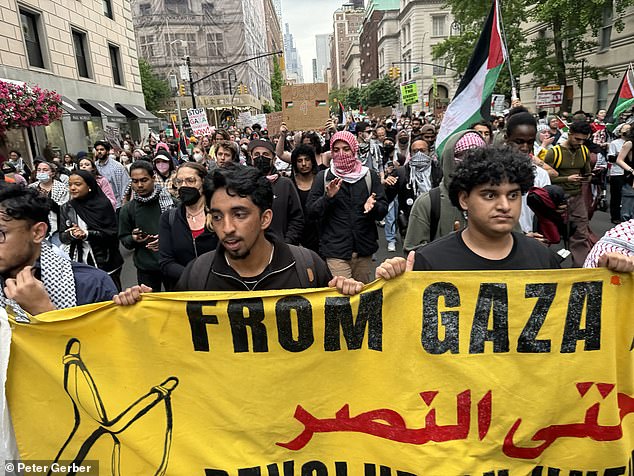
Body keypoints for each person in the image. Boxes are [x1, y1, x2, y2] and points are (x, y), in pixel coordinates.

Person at [114, 166, 364, 303]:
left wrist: (350, 294)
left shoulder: (307, 267)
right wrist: (143, 308)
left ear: (265, 218)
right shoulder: (197, 275)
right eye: (218, 216)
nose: (227, 228)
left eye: (240, 214)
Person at [376, 146, 634, 277]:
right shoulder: (429, 261)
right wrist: (391, 281)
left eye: (513, 195)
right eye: (490, 195)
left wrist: (612, 278)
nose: (504, 205)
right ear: (464, 199)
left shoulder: (543, 260)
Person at [0, 185, 117, 319]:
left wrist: (42, 311)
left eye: (0, 233)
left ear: (38, 232)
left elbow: (104, 339)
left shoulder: (92, 285)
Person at [306, 131, 388, 283]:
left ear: (354, 150)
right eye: (336, 150)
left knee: (362, 297)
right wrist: (327, 198)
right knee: (344, 296)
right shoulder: (323, 177)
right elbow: (311, 211)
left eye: (346, 149)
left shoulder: (368, 176)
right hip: (336, 251)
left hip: (363, 250)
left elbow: (383, 210)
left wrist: (373, 206)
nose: (341, 154)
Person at [404, 130, 486, 252]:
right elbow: (413, 254)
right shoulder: (428, 203)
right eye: (462, 155)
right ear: (449, 159)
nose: (471, 162)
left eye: (478, 155)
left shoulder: (498, 202)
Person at [59, 170, 124, 290]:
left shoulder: (103, 205)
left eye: (77, 184)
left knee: (113, 296)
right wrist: (73, 234)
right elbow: (62, 237)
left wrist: (87, 234)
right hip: (81, 262)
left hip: (106, 260)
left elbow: (112, 234)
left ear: (89, 186)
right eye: (70, 184)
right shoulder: (67, 208)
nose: (72, 188)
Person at [159, 162, 218, 289]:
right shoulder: (168, 218)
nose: (184, 186)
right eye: (179, 182)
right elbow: (166, 263)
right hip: (183, 292)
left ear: (203, 182)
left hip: (218, 289)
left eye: (190, 181)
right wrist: (195, 278)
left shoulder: (218, 215)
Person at [544, 121, 594, 267]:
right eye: (577, 139)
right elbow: (545, 178)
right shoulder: (554, 152)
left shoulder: (584, 151)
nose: (580, 142)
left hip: (577, 197)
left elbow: (587, 173)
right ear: (570, 134)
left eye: (584, 139)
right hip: (556, 199)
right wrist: (566, 178)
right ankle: (543, 267)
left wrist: (588, 176)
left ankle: (581, 271)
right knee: (549, 234)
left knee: (580, 234)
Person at [119, 161, 176, 291]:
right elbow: (124, 239)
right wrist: (134, 238)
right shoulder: (128, 210)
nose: (139, 185)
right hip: (146, 268)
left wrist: (166, 239)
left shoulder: (172, 203)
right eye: (135, 181)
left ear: (153, 178)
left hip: (172, 263)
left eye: (144, 180)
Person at [503, 112, 553, 235]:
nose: (525, 147)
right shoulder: (491, 173)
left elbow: (544, 215)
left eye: (530, 142)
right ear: (506, 138)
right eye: (519, 142)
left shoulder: (541, 175)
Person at [385, 138, 443, 243]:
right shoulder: (401, 172)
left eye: (422, 150)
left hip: (436, 223)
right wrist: (388, 185)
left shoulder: (439, 171)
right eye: (415, 151)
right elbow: (386, 199)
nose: (419, 154)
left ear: (429, 152)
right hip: (410, 224)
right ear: (410, 153)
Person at [248, 140, 304, 245]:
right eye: (256, 154)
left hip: (282, 248)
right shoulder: (245, 185)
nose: (261, 158)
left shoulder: (285, 184)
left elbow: (297, 218)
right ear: (251, 159)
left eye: (265, 154)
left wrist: (287, 243)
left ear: (273, 159)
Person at [29, 161, 69, 245]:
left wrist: (49, 201)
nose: (41, 172)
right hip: (37, 229)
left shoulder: (62, 188)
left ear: (53, 173)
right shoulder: (31, 188)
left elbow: (64, 209)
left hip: (57, 229)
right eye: (39, 170)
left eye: (45, 170)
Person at [290, 145, 320, 252]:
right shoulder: (290, 184)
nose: (304, 164)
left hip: (320, 234)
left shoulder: (320, 180)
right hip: (298, 236)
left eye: (307, 160)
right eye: (299, 161)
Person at [93, 140, 130, 210]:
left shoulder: (117, 166)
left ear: (107, 151)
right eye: (97, 150)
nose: (99, 152)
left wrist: (123, 205)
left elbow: (125, 186)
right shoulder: (94, 166)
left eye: (102, 149)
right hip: (99, 205)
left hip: (116, 205)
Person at [607, 123, 631, 223]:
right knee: (616, 195)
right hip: (617, 172)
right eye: (624, 129)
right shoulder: (615, 143)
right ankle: (615, 216)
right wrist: (623, 157)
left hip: (628, 173)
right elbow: (611, 157)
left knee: (628, 196)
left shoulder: (631, 142)